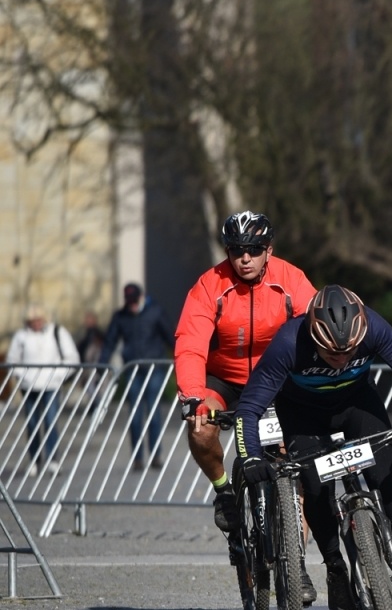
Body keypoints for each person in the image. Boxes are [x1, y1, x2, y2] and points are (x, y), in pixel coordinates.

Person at [234, 285, 392, 610]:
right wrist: (250, 456)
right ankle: (335, 568)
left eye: (349, 353)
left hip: (358, 405)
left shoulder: (373, 327)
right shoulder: (288, 343)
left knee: (388, 485)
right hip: (303, 414)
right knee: (316, 491)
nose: (342, 360)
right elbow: (248, 410)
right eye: (332, 354)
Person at [173, 211, 316, 534]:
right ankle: (223, 491)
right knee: (201, 429)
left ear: (269, 250)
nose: (245, 258)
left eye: (254, 249)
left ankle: (294, 552)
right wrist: (193, 395)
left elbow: (316, 325)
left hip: (275, 377)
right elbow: (190, 342)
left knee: (291, 457)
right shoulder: (210, 285)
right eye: (237, 250)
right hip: (224, 378)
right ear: (228, 251)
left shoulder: (290, 279)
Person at [103, 282, 174, 468]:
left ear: (141, 297)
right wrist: (102, 365)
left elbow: (170, 336)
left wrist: (184, 358)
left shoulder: (155, 312)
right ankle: (137, 458)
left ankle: (156, 455)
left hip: (154, 368)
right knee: (134, 415)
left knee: (153, 413)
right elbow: (110, 341)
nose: (132, 305)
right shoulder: (120, 316)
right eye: (129, 302)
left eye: (135, 301)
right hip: (133, 370)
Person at [7, 307, 80, 475]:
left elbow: (72, 358)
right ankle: (34, 459)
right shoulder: (21, 336)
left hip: (51, 386)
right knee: (32, 424)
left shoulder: (57, 332)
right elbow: (12, 360)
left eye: (39, 320)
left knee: (50, 422)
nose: (36, 324)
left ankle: (53, 459)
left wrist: (58, 375)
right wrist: (24, 375)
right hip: (29, 387)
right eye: (32, 321)